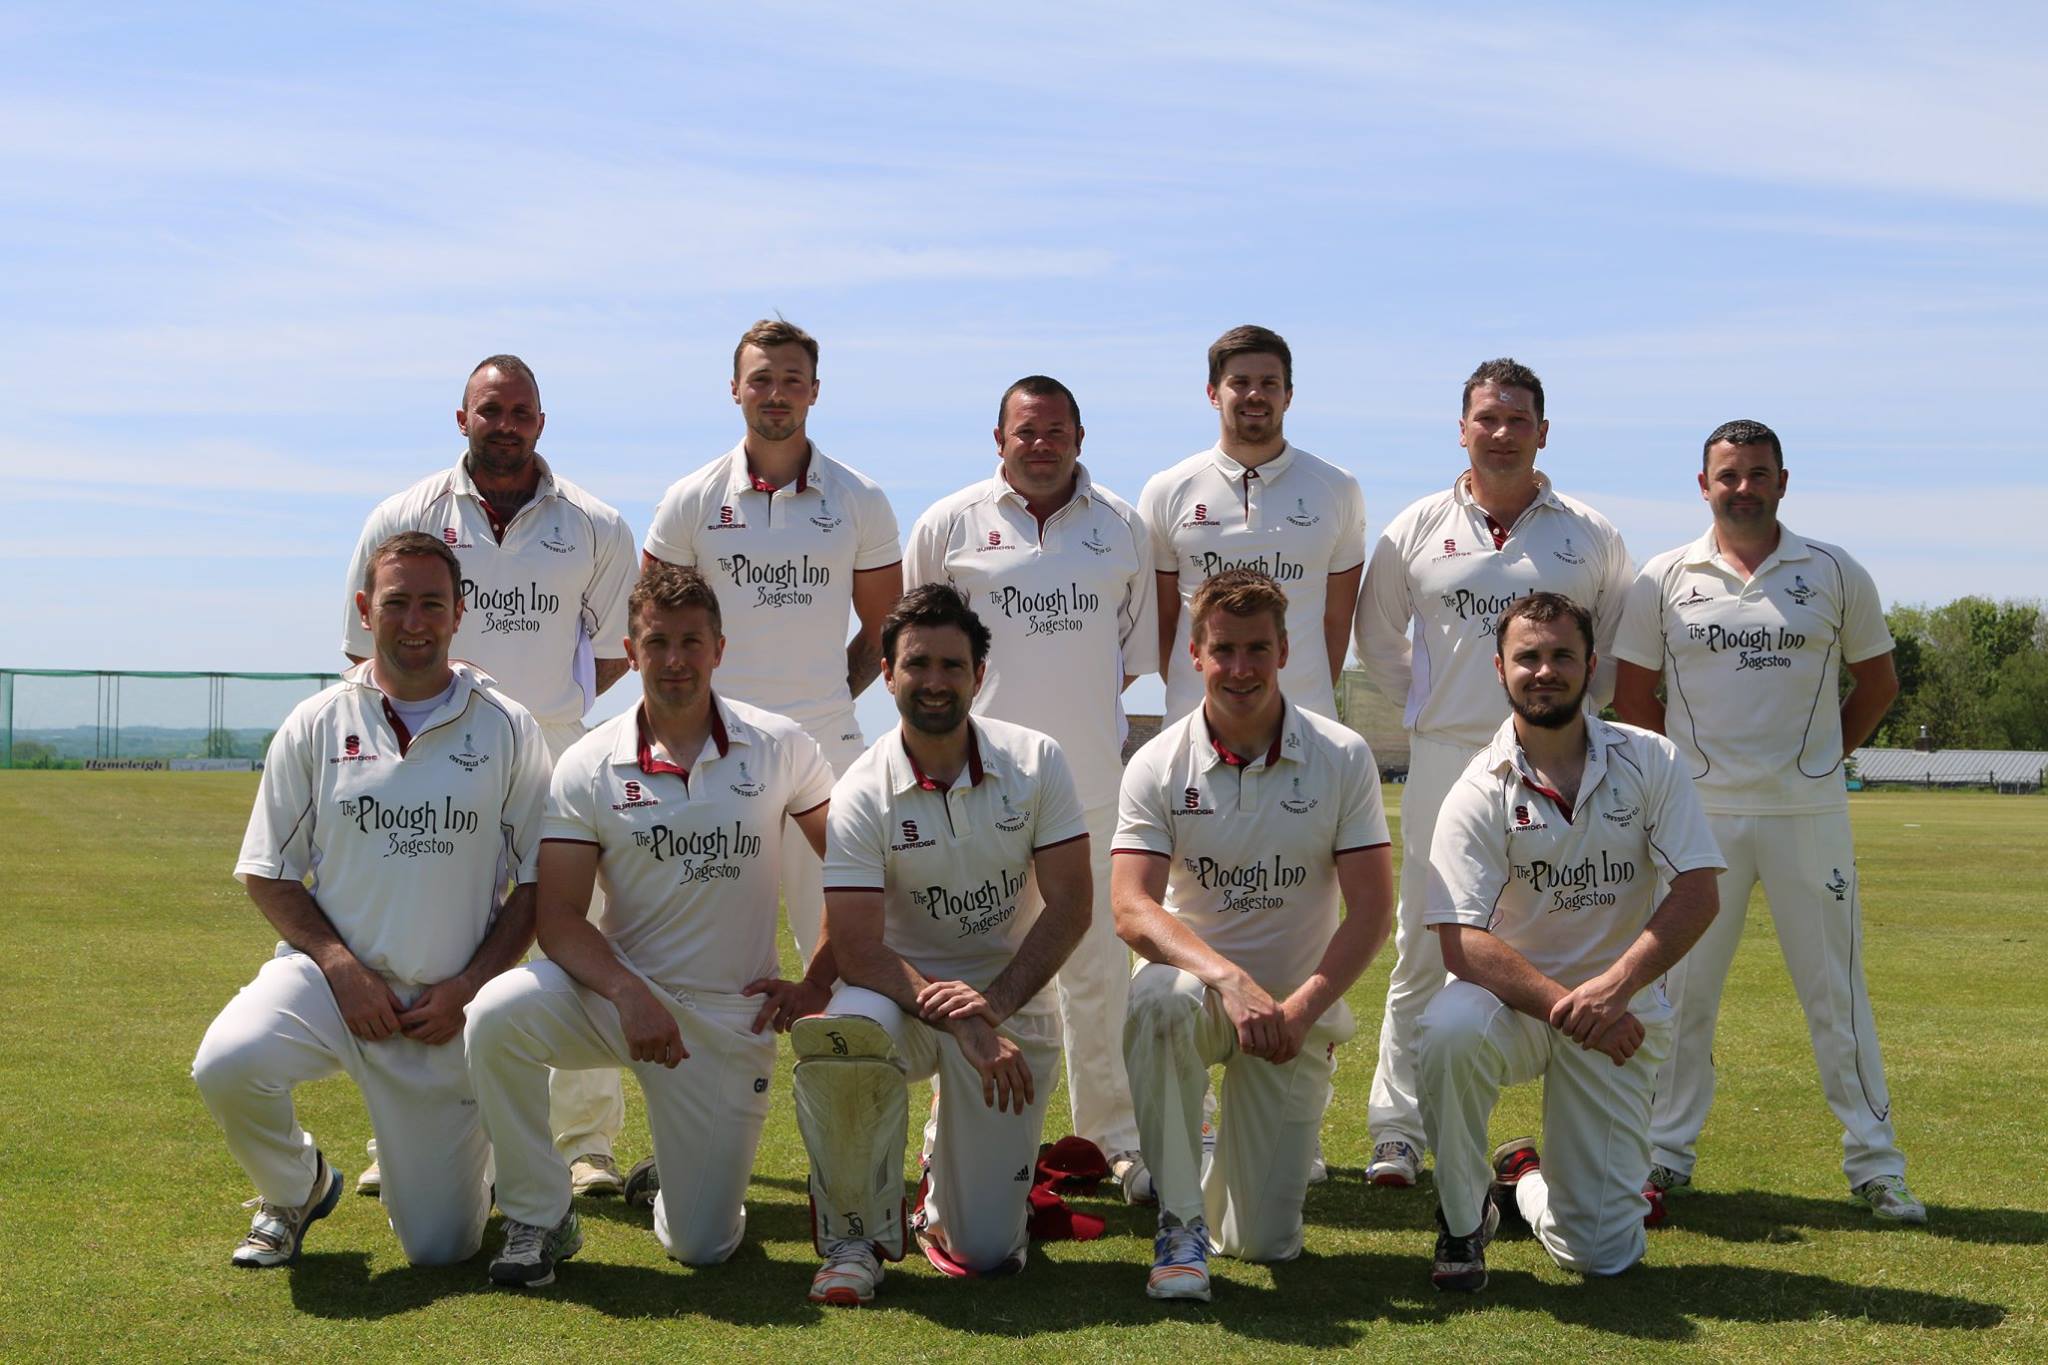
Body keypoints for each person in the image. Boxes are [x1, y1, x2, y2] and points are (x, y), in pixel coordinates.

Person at [464, 563, 839, 1287]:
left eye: (691, 641)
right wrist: (628, 992)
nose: (674, 660)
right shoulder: (588, 761)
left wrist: (818, 980)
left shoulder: (780, 744)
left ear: (719, 649)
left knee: (702, 1246)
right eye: (657, 642)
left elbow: (853, 866)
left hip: (728, 1019)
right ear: (631, 651)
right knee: (496, 1014)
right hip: (616, 1000)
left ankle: (671, 1174)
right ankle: (540, 1212)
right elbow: (558, 917)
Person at [194, 531, 549, 1268]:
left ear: (459, 612)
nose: (414, 621)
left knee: (441, 1248)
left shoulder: (508, 725)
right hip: (331, 984)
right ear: (365, 609)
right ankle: (296, 1187)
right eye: (396, 602)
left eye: (432, 603)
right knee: (227, 1061)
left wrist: (468, 988)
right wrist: (338, 965)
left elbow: (538, 881)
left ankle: (472, 1160)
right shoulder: (316, 721)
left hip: (442, 1013)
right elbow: (268, 869)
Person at [342, 354, 638, 1198]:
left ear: (540, 422)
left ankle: (584, 1143)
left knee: (580, 938)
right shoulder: (404, 515)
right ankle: (406, 1127)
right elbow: (364, 653)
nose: (504, 424)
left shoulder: (597, 525)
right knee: (426, 938)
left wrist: (537, 714)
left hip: (559, 755)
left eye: (519, 411)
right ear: (462, 417)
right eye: (489, 409)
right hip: (432, 753)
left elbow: (615, 650)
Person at [1612, 419, 1922, 1221]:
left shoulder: (1833, 570)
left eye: (1757, 473)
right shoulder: (1662, 577)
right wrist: (1677, 784)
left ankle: (1876, 1164)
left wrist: (1819, 761)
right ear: (1703, 484)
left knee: (1835, 996)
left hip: (1806, 816)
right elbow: (1633, 696)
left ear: (1783, 481)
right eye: (1728, 474)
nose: (1742, 487)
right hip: (1698, 821)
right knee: (1680, 996)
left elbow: (1878, 682)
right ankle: (1662, 1152)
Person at [1354, 358, 1632, 1188]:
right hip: (1448, 759)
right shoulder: (1415, 527)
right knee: (1422, 944)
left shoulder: (1590, 533)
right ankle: (1397, 1128)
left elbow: (1615, 649)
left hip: (1560, 762)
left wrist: (1567, 726)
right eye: (1487, 417)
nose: (1501, 432)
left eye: (1517, 419)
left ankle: (1584, 1131)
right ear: (1462, 429)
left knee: (1565, 934)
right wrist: (1434, 706)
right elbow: (1377, 637)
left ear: (1543, 431)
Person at [793, 584, 1091, 1305]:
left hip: (1009, 1007)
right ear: (887, 675)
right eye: (917, 664)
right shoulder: (862, 788)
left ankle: (941, 1173)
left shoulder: (1036, 759)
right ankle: (854, 1238)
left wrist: (992, 1007)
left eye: (952, 665)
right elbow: (857, 948)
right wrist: (961, 1019)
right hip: (903, 998)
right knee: (848, 1030)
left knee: (984, 1250)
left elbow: (1073, 904)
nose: (934, 680)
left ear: (978, 676)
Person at [1418, 592, 1723, 1290]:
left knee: (1600, 1256)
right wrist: (1575, 1008)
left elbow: (1698, 891)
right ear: (1500, 668)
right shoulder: (1477, 787)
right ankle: (1463, 1218)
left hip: (1620, 1014)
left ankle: (1523, 1181)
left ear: (1591, 664)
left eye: (1562, 654)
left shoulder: (1651, 758)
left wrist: (1614, 990)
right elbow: (1460, 942)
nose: (1544, 670)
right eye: (1527, 656)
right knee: (1447, 1030)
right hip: (1516, 1006)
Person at [901, 374, 1156, 1197]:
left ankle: (1114, 1138)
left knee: (1099, 972)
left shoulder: (1124, 526)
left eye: (1056, 431)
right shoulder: (947, 523)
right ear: (999, 438)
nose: (1040, 444)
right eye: (1025, 431)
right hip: (980, 790)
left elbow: (1130, 654)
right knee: (978, 959)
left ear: (1080, 437)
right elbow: (923, 649)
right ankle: (950, 1139)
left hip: (1092, 786)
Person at [1111, 569, 1394, 1301]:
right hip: (1203, 999)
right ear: (1195, 655)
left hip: (1293, 1019)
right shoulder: (1158, 761)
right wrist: (1229, 981)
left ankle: (1198, 1158)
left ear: (1284, 651)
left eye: (1257, 649)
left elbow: (1371, 910)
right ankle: (1178, 1219)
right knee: (1160, 999)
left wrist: (1300, 1009)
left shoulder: (1342, 754)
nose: (1240, 668)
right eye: (1224, 649)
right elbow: (1132, 908)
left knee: (1261, 1242)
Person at [643, 319, 902, 966]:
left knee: (850, 942)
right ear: (735, 389)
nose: (776, 394)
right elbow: (653, 625)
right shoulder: (690, 499)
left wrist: (829, 691)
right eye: (761, 380)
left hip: (827, 745)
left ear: (815, 390)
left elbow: (885, 630)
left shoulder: (861, 498)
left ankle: (839, 1037)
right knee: (707, 948)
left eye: (792, 380)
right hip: (714, 748)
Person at [1138, 324, 1365, 725]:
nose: (1255, 394)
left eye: (1269, 383)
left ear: (1288, 395)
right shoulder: (1167, 489)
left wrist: (1304, 696)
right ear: (1213, 393)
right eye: (1239, 382)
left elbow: (1336, 621)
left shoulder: (1336, 488)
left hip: (1306, 724)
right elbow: (1162, 622)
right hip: (1196, 723)